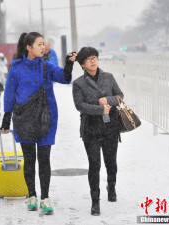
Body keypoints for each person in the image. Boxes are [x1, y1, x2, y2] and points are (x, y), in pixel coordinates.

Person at [0, 32, 76, 214]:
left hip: (46, 118)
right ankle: (32, 196)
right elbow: (9, 93)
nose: (43, 47)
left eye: (44, 44)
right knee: (29, 159)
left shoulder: (46, 66)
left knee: (44, 159)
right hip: (24, 117)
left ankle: (45, 198)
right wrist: (6, 118)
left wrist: (69, 64)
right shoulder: (16, 68)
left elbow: (65, 78)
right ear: (29, 47)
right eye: (39, 44)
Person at [72, 47, 124, 216]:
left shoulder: (108, 77)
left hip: (111, 127)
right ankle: (95, 202)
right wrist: (100, 109)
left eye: (95, 57)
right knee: (94, 165)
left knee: (111, 162)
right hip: (91, 129)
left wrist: (108, 100)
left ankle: (112, 187)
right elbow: (80, 106)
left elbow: (120, 96)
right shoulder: (78, 83)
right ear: (82, 64)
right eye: (89, 59)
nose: (93, 61)